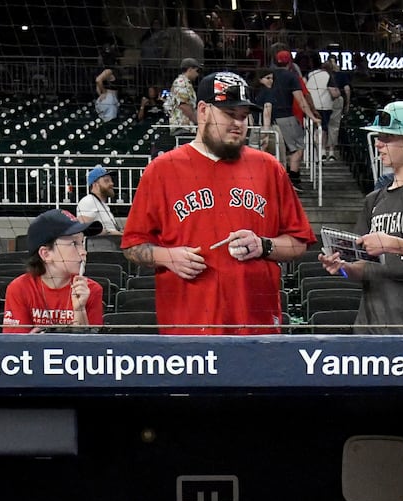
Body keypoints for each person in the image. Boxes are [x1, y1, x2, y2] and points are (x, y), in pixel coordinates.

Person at [121, 71, 314, 335]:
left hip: (256, 326)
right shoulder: (161, 170)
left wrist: (263, 245)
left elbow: (298, 243)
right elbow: (133, 246)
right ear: (202, 110)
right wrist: (166, 256)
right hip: (187, 328)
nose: (239, 123)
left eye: (244, 116)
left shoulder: (269, 168)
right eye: (229, 114)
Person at [318, 101, 403, 334]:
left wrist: (393, 244)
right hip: (367, 330)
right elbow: (363, 267)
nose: (378, 143)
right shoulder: (373, 199)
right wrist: (343, 267)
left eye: (388, 137)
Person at [2, 210, 104, 334]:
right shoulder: (20, 288)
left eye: (82, 243)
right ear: (45, 254)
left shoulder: (91, 289)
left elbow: (90, 348)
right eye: (74, 243)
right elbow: (15, 347)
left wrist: (80, 310)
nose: (83, 252)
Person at [262, 50, 318, 189]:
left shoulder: (269, 75)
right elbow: (301, 100)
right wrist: (313, 117)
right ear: (290, 62)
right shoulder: (291, 76)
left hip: (269, 117)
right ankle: (293, 181)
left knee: (279, 150)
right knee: (298, 149)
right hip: (286, 116)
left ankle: (280, 180)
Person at [75, 165, 121, 235]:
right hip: (98, 245)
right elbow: (83, 230)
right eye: (106, 181)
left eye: (111, 180)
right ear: (95, 185)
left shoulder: (102, 205)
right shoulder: (88, 201)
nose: (112, 183)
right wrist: (110, 232)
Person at [305, 58, 336, 160]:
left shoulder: (310, 74)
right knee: (323, 128)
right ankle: (322, 151)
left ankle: (311, 151)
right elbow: (333, 92)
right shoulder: (328, 76)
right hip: (324, 105)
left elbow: (303, 84)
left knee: (311, 128)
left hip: (310, 105)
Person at [165, 57, 202, 129]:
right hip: (183, 126)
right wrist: (198, 122)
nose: (197, 74)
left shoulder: (185, 83)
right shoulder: (182, 83)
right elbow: (184, 106)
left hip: (185, 126)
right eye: (196, 71)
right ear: (190, 69)